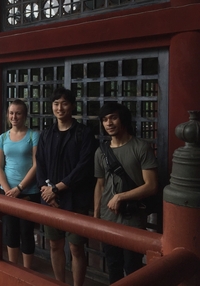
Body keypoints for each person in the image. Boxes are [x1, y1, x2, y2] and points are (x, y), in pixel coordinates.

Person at [36, 87, 96, 286]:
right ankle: (59, 282)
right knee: (54, 244)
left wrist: (58, 188)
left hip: (76, 198)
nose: (59, 108)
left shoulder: (84, 133)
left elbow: (84, 166)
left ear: (72, 106)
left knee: (76, 248)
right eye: (55, 104)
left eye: (64, 103)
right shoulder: (46, 134)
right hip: (51, 199)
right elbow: (40, 165)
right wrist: (47, 191)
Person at [94, 102, 158, 284]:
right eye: (105, 119)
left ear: (123, 119)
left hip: (133, 217)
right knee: (113, 267)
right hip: (108, 218)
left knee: (133, 268)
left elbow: (151, 185)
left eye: (113, 117)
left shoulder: (140, 147)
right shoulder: (101, 152)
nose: (109, 123)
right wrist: (97, 215)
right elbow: (100, 185)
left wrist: (121, 196)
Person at [0, 99, 40, 269]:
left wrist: (19, 188)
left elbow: (36, 165)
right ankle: (13, 268)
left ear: (25, 115)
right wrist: (8, 190)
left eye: (18, 113)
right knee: (10, 230)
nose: (14, 116)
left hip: (29, 191)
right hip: (7, 192)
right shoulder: (3, 137)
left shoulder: (33, 136)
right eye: (11, 113)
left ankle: (28, 270)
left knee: (26, 231)